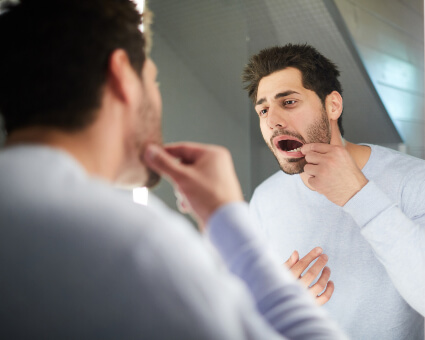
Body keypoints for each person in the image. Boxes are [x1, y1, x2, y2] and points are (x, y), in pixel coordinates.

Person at [0, 1, 348, 339]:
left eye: (288, 102)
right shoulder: (136, 243)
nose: (272, 121)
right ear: (122, 75)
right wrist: (229, 223)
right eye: (154, 79)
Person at [243, 43, 425, 339]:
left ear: (333, 106)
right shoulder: (265, 198)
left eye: (288, 102)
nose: (272, 120)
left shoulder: (416, 181)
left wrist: (358, 194)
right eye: (263, 109)